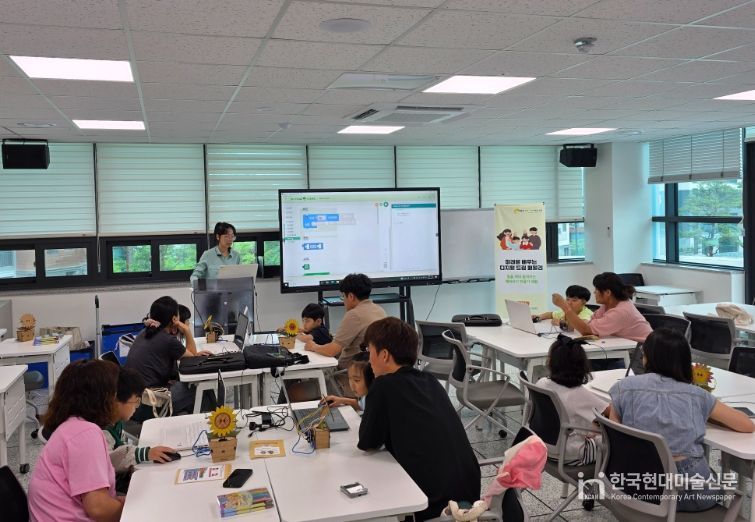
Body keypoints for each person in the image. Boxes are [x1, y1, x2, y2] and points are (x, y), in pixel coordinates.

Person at [609, 328, 754, 511]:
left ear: (647, 358)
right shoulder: (697, 395)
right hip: (686, 491)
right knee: (719, 481)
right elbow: (747, 425)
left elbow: (615, 435)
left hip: (631, 484)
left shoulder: (623, 387)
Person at [358, 317, 480, 521]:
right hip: (468, 493)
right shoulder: (429, 380)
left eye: (369, 351)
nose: (368, 359)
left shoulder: (383, 386)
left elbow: (367, 442)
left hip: (433, 504)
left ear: (384, 355)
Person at [28, 360, 124, 522]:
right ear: (102, 398)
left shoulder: (72, 426)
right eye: (114, 393)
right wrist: (135, 509)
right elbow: (99, 509)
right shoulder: (85, 434)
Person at [125, 296, 211, 419]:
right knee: (203, 389)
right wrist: (186, 330)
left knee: (190, 389)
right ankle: (213, 425)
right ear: (174, 319)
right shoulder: (167, 340)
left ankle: (187, 420)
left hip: (132, 399)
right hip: (149, 404)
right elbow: (192, 359)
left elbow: (189, 356)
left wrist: (190, 353)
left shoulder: (144, 332)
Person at [536, 336, 608, 465]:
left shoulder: (541, 383)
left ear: (551, 362)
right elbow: (610, 412)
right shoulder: (578, 394)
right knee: (616, 443)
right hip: (570, 455)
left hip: (543, 448)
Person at [104, 366, 176, 493]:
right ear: (116, 401)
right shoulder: (102, 430)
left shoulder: (115, 420)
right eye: (136, 402)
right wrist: (143, 454)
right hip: (114, 485)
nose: (137, 407)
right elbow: (109, 461)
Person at [303, 273, 386, 370]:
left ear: (351, 296)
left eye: (343, 296)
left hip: (348, 372)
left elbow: (332, 351)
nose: (343, 301)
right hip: (372, 369)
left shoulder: (354, 315)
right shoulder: (379, 310)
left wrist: (313, 346)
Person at [552, 272, 651, 343]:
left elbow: (586, 331)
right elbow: (588, 325)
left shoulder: (621, 311)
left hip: (640, 352)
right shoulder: (608, 305)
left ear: (607, 292)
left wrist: (564, 306)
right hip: (623, 344)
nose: (594, 292)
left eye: (596, 289)